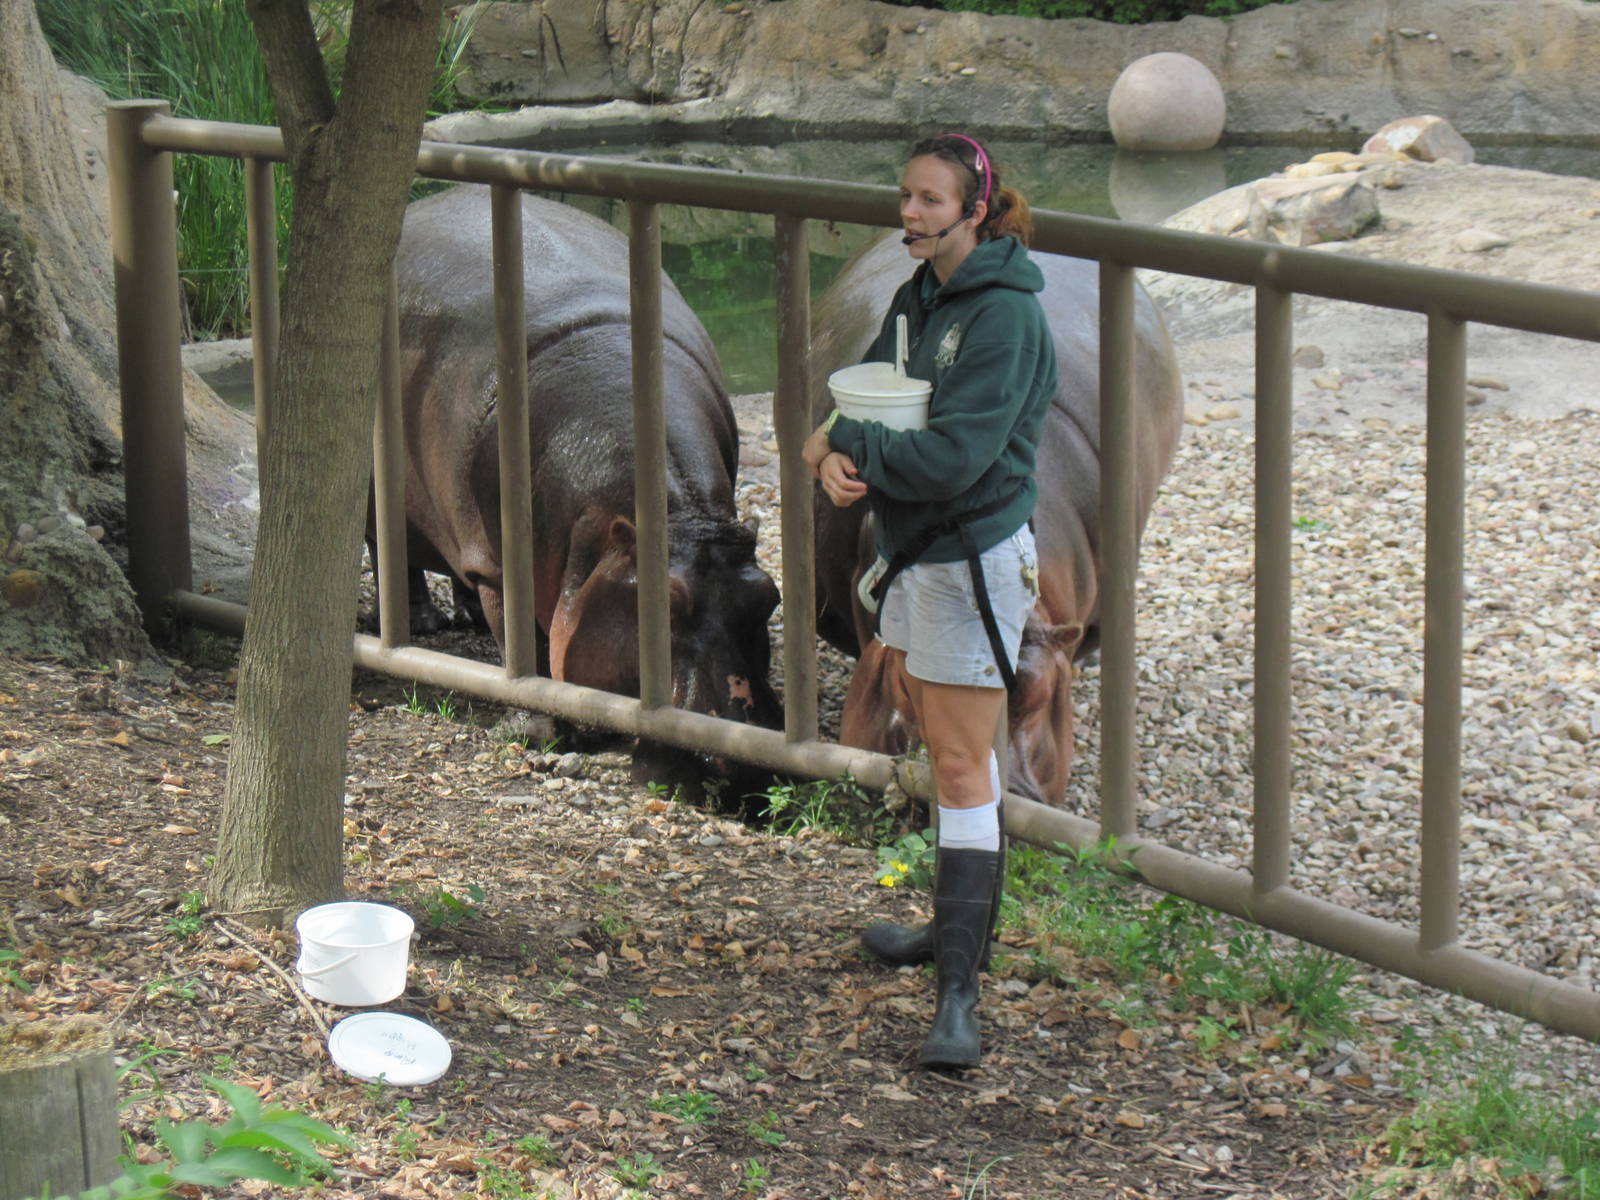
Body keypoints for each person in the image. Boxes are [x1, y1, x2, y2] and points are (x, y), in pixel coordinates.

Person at [802, 133, 1057, 1069]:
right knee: (940, 743)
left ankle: (960, 994)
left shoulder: (1006, 322)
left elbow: (955, 459)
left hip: (971, 562)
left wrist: (853, 450)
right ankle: (954, 939)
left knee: (960, 766)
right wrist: (829, 451)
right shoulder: (920, 299)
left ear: (975, 211)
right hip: (912, 555)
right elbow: (837, 413)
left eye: (929, 201)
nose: (908, 213)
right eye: (904, 196)